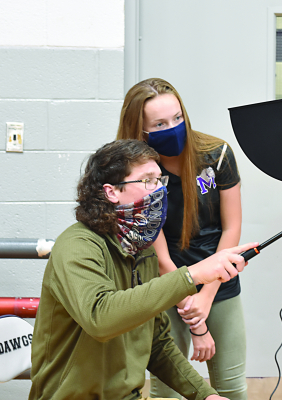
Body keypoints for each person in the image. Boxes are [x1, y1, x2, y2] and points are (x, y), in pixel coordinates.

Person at [28, 139, 258, 400]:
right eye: (148, 181)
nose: (159, 190)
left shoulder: (142, 250)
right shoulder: (78, 245)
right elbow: (100, 318)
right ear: (112, 192)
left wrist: (205, 395)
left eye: (160, 180)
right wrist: (191, 275)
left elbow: (156, 343)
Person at [116, 78, 246, 400]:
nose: (173, 128)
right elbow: (160, 256)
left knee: (231, 387)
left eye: (177, 118)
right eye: (159, 124)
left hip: (220, 282)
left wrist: (207, 294)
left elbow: (231, 228)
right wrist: (193, 314)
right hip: (164, 284)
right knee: (169, 392)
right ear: (141, 131)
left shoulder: (217, 155)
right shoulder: (134, 171)